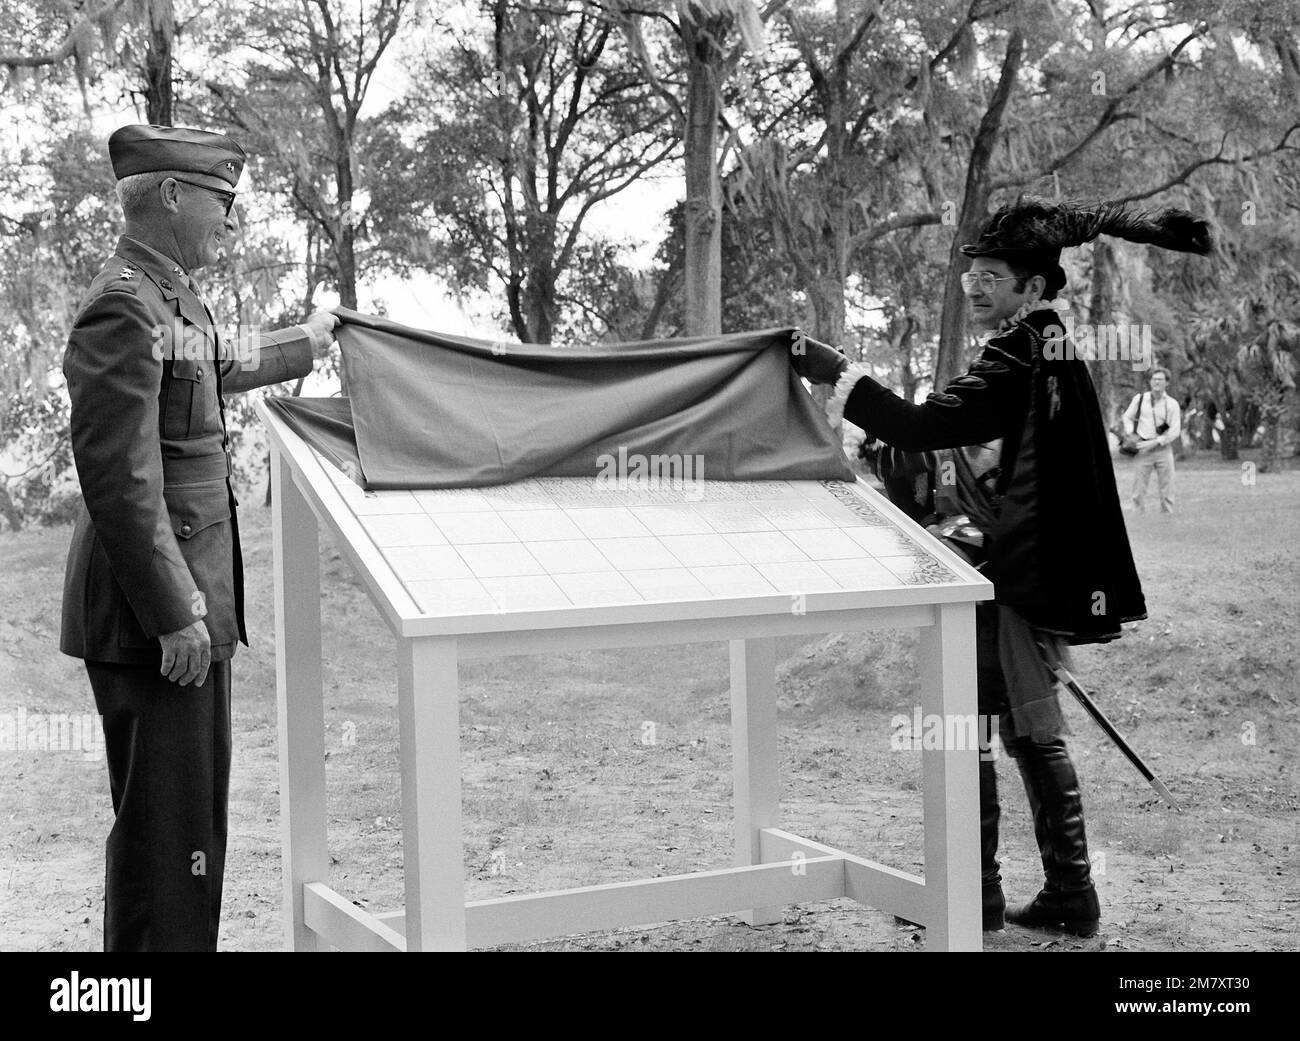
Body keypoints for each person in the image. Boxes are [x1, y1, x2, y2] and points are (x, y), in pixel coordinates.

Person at [791, 197, 1211, 937]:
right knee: (1012, 725)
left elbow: (922, 427)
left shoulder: (1021, 353)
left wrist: (834, 373)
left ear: (1034, 287)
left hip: (1013, 576)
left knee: (996, 727)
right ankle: (1047, 895)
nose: (977, 288)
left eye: (993, 277)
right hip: (1027, 570)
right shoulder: (1047, 349)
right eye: (970, 277)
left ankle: (995, 896)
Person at [59, 124, 338, 951]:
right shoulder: (122, 302)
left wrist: (308, 342)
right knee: (163, 840)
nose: (230, 222)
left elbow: (213, 360)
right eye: (222, 201)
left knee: (190, 837)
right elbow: (120, 477)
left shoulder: (168, 293)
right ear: (172, 195)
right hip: (158, 620)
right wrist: (177, 609)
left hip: (189, 611)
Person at [1123, 367, 1181, 513]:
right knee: (1138, 488)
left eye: (1160, 379)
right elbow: (1127, 417)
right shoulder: (1140, 399)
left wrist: (1157, 441)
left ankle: (1168, 517)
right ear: (1149, 382)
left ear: (1167, 383)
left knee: (1167, 488)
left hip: (1163, 448)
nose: (1156, 382)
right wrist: (1131, 434)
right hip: (1142, 448)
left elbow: (1175, 430)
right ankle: (1138, 516)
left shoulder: (1172, 404)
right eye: (1154, 379)